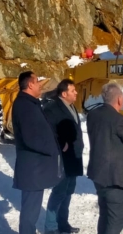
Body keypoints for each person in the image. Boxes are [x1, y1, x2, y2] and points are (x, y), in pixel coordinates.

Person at [12, 71, 63, 234]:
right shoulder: (25, 106)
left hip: (35, 169)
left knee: (32, 210)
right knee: (30, 211)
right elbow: (32, 138)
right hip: (32, 169)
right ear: (30, 84)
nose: (40, 84)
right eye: (37, 81)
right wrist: (53, 148)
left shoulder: (30, 103)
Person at [86, 83, 123, 234]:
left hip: (98, 174)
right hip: (115, 178)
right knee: (116, 219)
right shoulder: (119, 120)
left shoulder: (92, 115)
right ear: (119, 100)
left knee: (105, 215)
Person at [42, 79, 83, 234]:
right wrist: (60, 144)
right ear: (64, 94)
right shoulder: (51, 108)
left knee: (68, 191)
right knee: (59, 191)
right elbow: (47, 132)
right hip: (62, 158)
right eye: (73, 91)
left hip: (74, 157)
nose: (76, 93)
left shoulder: (71, 106)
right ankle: (50, 227)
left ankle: (62, 223)